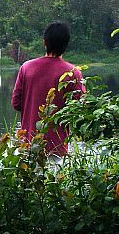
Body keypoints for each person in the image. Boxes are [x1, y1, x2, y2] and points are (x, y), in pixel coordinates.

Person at [11, 21, 86, 157]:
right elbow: (81, 109)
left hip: (29, 145)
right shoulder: (73, 73)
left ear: (44, 42)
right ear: (66, 44)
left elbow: (16, 104)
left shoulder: (26, 68)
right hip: (57, 148)